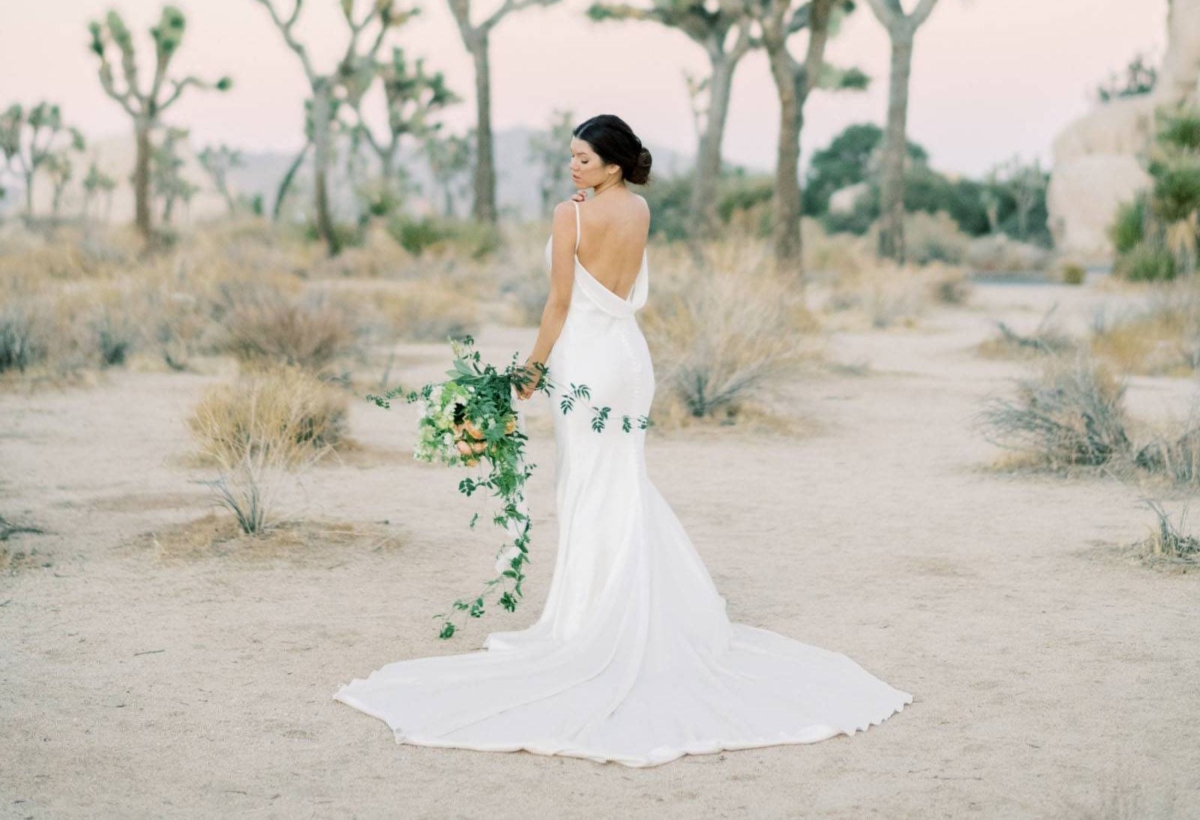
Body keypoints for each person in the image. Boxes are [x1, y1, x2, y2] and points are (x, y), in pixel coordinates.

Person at [331, 114, 913, 767]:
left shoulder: (569, 215)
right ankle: (620, 609)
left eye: (583, 159)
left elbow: (558, 302)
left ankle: (591, 625)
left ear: (611, 164)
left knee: (587, 487)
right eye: (571, 158)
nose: (572, 167)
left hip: (583, 358)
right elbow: (619, 281)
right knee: (617, 481)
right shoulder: (636, 210)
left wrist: (532, 367)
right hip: (629, 362)